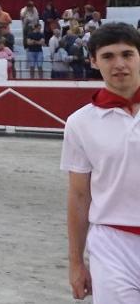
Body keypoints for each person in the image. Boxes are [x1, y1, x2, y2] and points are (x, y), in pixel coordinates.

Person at [61, 23, 140, 302]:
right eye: (108, 56)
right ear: (93, 61)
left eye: (127, 54)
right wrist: (76, 263)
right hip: (112, 243)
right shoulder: (80, 123)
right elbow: (80, 195)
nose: (119, 64)